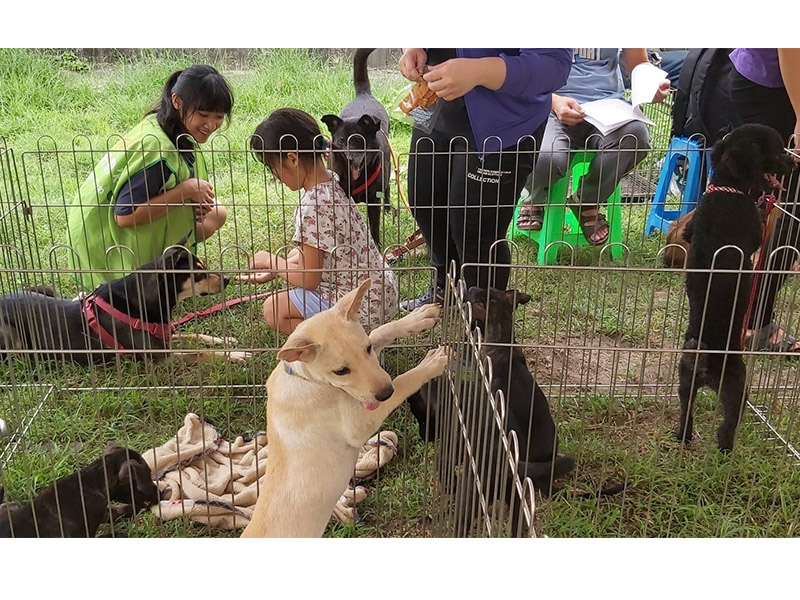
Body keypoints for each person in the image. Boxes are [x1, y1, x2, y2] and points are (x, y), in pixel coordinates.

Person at [398, 48, 572, 310]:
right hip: (435, 106)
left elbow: (554, 65)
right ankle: (446, 288)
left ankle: (489, 321)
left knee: (475, 231)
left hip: (503, 119)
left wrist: (477, 71)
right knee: (426, 203)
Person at [67, 64, 232, 291]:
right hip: (104, 245)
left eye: (219, 117)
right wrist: (185, 192)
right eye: (203, 115)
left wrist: (189, 200)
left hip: (97, 224)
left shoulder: (165, 124)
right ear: (177, 102)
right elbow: (124, 216)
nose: (211, 125)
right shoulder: (158, 150)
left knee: (217, 211)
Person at [241, 108, 398, 334]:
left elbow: (309, 280)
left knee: (274, 309)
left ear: (292, 159)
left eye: (273, 168)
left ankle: (341, 350)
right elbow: (316, 251)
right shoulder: (335, 183)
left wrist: (271, 261)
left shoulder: (313, 206)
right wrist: (281, 268)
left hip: (360, 311)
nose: (275, 176)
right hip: (380, 294)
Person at [515, 48, 671, 244]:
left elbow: (639, 64)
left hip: (608, 105)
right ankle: (533, 197)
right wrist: (552, 101)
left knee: (636, 137)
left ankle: (586, 200)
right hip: (548, 104)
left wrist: (651, 85)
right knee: (545, 157)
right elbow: (520, 67)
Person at [729, 48, 800, 353]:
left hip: (779, 85)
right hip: (772, 88)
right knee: (796, 209)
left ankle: (749, 318)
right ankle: (752, 321)